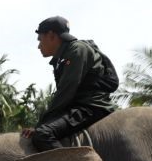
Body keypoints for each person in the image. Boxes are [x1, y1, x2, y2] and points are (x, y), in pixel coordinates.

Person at [22, 16, 118, 151]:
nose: (38, 46)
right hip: (79, 107)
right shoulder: (61, 58)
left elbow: (66, 91)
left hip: (91, 106)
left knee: (43, 134)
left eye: (40, 39)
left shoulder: (76, 50)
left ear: (51, 36)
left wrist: (40, 126)